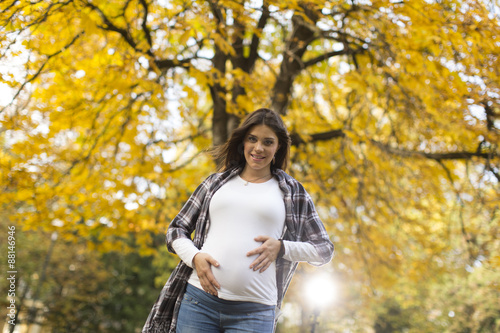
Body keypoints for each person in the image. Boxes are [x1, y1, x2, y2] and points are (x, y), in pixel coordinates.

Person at [143, 108, 334, 333]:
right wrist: (194, 257)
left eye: (268, 142)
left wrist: (282, 248)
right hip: (198, 303)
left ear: (278, 147)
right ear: (242, 141)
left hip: (255, 312)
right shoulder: (215, 183)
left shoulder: (292, 192)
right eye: (252, 139)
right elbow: (176, 230)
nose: (258, 148)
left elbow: (324, 250)